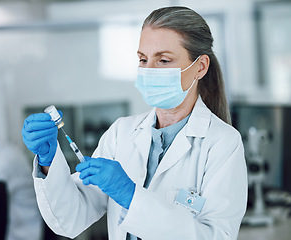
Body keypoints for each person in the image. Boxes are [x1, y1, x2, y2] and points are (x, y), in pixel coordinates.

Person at [22, 6, 247, 240]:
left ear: (200, 67)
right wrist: (49, 161)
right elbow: (71, 218)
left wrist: (130, 195)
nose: (148, 70)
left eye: (163, 60)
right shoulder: (122, 133)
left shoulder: (222, 144)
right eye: (143, 59)